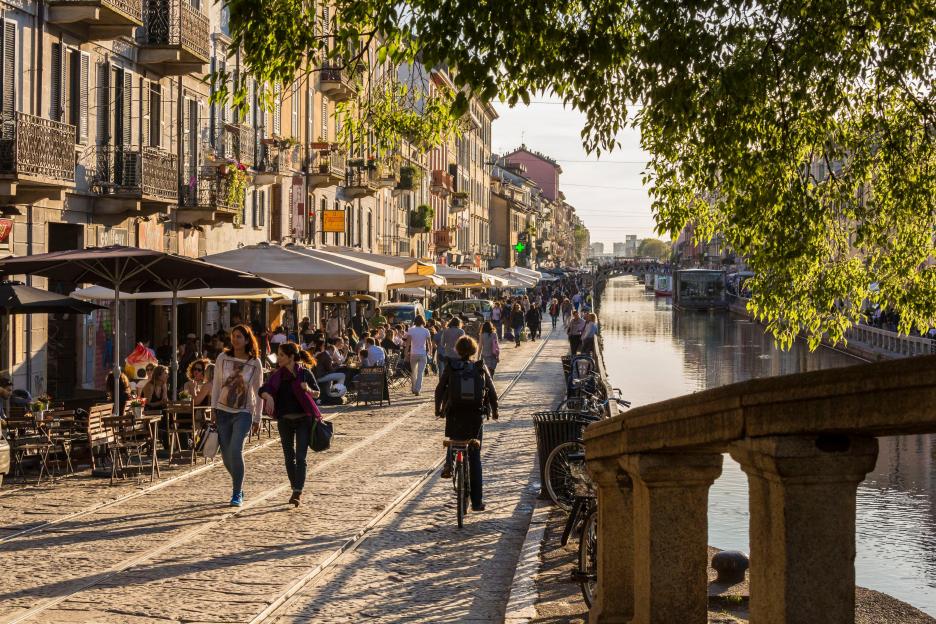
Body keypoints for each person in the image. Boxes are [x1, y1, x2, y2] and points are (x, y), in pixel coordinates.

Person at [434, 336, 499, 512]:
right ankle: (477, 502)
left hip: (455, 414)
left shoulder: (451, 366)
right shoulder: (479, 366)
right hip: (475, 416)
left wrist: (438, 409)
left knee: (454, 438)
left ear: (457, 349)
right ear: (473, 350)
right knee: (475, 457)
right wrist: (495, 410)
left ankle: (449, 462)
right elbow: (492, 391)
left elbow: (439, 389)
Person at [259, 342, 320, 507]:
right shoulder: (277, 376)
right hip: (285, 420)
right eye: (278, 355)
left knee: (300, 457)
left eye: (281, 355)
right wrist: (269, 397)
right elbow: (263, 390)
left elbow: (317, 393)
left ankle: (297, 491)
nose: (278, 358)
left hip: (303, 420)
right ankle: (295, 487)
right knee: (289, 457)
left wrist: (307, 390)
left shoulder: (305, 374)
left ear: (291, 357)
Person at [211, 324, 264, 507]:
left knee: (235, 450)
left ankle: (236, 494)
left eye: (239, 336)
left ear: (247, 340)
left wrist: (258, 417)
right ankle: (239, 485)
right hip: (223, 411)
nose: (235, 339)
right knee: (226, 456)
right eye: (233, 336)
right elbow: (217, 385)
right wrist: (213, 408)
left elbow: (259, 391)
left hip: (244, 411)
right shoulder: (222, 358)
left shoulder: (254, 362)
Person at [406, 315, 432, 395]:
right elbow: (429, 343)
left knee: (413, 372)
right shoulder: (426, 331)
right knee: (420, 372)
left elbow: (408, 343)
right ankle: (417, 389)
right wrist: (430, 352)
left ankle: (413, 388)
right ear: (423, 321)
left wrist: (406, 352)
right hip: (422, 353)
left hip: (413, 353)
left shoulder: (411, 330)